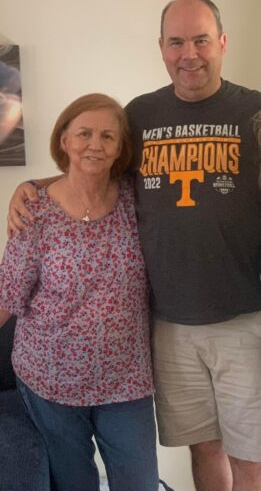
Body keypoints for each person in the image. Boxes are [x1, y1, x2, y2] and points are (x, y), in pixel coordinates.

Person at [7, 0, 261, 491]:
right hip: (162, 329)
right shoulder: (142, 115)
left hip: (238, 321)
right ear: (162, 48)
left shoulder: (253, 111)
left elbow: (96, 163)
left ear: (222, 43)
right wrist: (34, 187)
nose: (190, 53)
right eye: (176, 41)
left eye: (201, 39)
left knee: (247, 455)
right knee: (203, 447)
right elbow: (90, 165)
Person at [0, 93, 159, 491]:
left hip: (126, 380)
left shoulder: (136, 198)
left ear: (120, 147)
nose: (95, 144)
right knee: (75, 484)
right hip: (50, 379)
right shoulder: (35, 209)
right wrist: (30, 184)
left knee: (139, 483)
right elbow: (8, 295)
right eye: (84, 133)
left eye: (108, 136)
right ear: (64, 140)